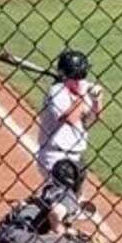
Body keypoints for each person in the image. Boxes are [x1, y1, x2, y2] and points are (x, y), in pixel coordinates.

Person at [36, 48, 101, 184]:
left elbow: (95, 118)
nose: (80, 80)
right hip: (54, 157)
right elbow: (70, 118)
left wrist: (97, 100)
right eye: (77, 76)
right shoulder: (57, 92)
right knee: (62, 199)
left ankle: (38, 200)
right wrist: (82, 95)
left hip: (77, 157)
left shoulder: (82, 89)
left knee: (74, 202)